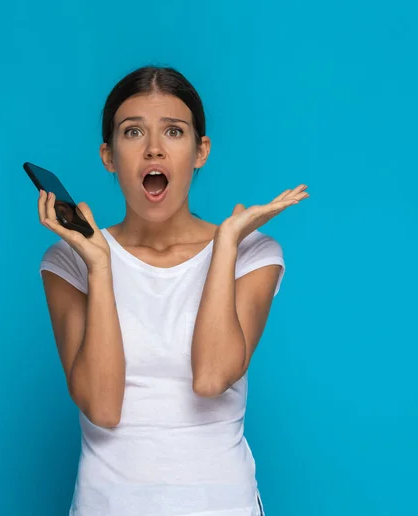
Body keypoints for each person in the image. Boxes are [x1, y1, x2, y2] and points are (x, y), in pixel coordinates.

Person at [37, 65, 309, 516]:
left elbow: (211, 377)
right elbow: (102, 407)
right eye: (132, 133)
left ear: (201, 150)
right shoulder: (70, 261)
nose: (154, 150)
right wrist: (101, 265)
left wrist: (224, 245)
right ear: (108, 155)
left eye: (174, 132)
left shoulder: (252, 254)